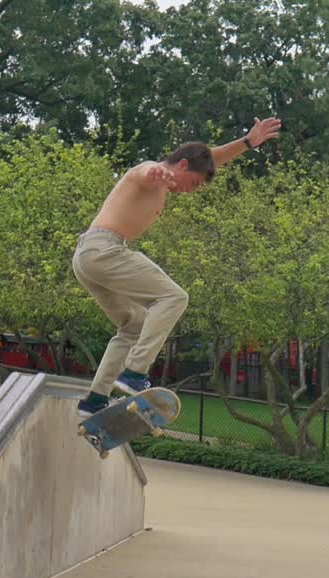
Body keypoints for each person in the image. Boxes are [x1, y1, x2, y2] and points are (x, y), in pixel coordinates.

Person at [73, 118, 283, 417]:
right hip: (105, 250)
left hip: (88, 259)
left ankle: (94, 399)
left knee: (133, 325)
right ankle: (135, 372)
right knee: (174, 297)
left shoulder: (183, 167)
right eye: (194, 183)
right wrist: (155, 172)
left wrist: (248, 142)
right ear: (182, 165)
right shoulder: (150, 171)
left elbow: (212, 157)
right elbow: (146, 171)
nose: (190, 191)